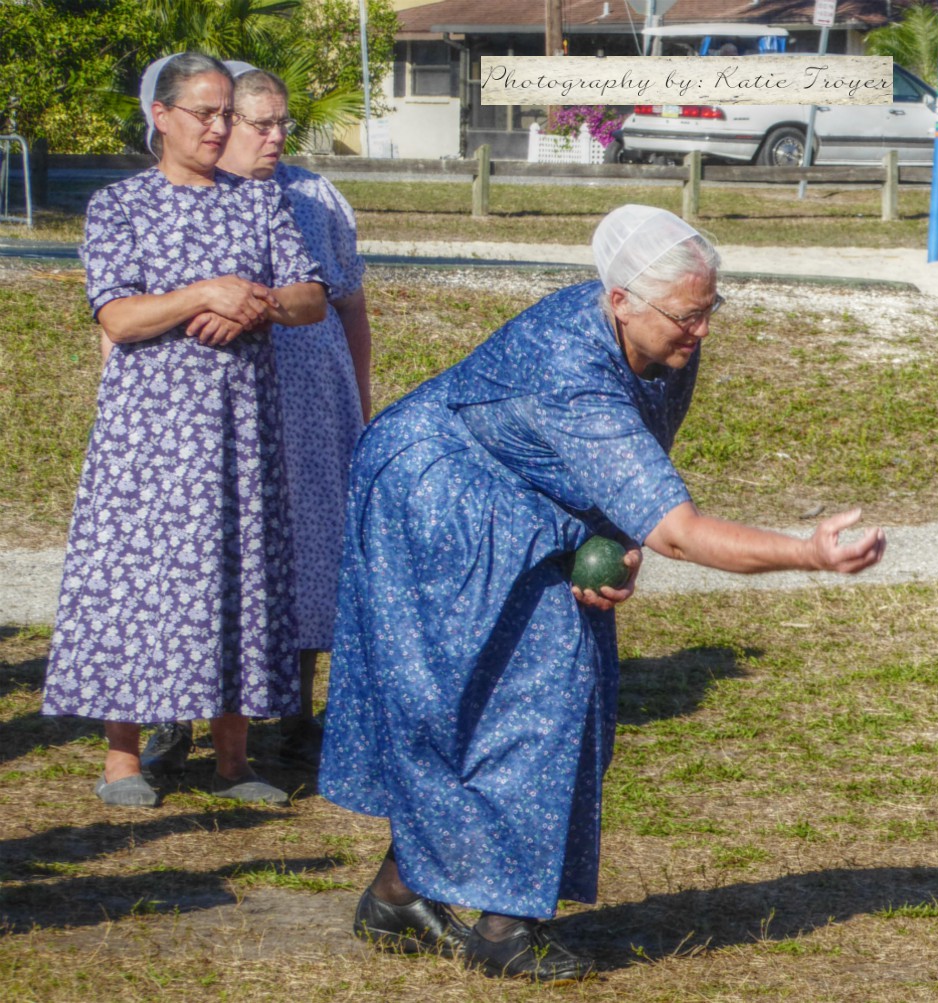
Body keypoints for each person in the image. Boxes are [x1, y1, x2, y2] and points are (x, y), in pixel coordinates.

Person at [320, 205, 886, 982]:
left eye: (709, 308)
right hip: (432, 494)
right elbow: (679, 530)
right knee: (501, 692)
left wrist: (619, 542)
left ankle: (400, 893)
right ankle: (500, 927)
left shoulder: (664, 344)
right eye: (688, 314)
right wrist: (808, 553)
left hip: (520, 495)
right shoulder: (569, 371)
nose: (702, 331)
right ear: (620, 299)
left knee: (550, 687)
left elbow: (640, 481)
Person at [42, 52, 327, 808]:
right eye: (205, 112)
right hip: (150, 437)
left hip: (240, 431)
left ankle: (232, 759)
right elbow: (119, 314)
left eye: (226, 111)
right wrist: (200, 293)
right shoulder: (119, 206)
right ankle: (122, 758)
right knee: (138, 579)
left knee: (239, 572)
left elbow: (310, 297)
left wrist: (254, 303)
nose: (219, 126)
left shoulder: (259, 203)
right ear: (160, 117)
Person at [142, 63, 373, 775]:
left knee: (305, 551)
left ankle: (296, 711)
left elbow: (349, 302)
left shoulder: (313, 194)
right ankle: (171, 716)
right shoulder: (188, 197)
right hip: (209, 403)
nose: (275, 138)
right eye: (260, 123)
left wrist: (360, 401)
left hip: (311, 405)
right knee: (191, 552)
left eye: (283, 123)